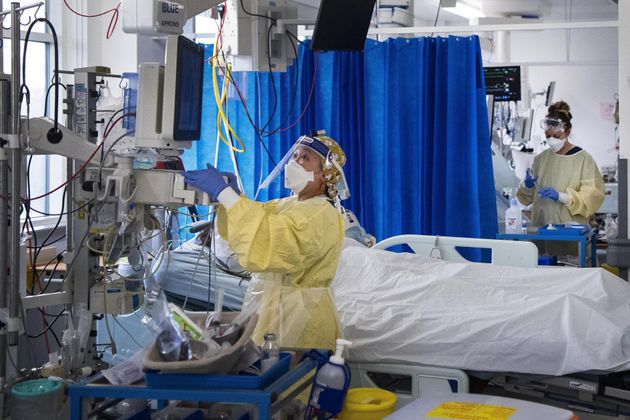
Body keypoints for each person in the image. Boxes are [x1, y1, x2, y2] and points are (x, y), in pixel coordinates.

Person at [183, 131, 347, 350]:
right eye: (295, 155)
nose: (295, 161)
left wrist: (225, 193)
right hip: (276, 309)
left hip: (303, 319)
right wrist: (234, 197)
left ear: (325, 175)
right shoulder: (292, 204)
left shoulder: (321, 214)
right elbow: (257, 220)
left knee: (295, 381)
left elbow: (271, 241)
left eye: (305, 158)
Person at [517, 101, 605, 227]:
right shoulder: (540, 160)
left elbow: (591, 199)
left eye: (557, 136)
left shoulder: (583, 159)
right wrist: (527, 185)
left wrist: (561, 197)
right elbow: (525, 199)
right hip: (541, 230)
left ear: (567, 132)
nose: (551, 140)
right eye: (547, 136)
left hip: (571, 233)